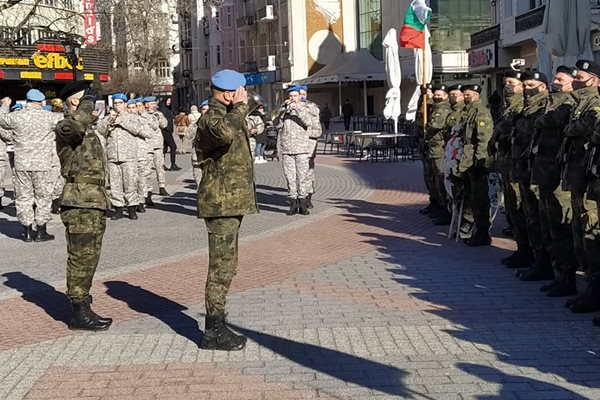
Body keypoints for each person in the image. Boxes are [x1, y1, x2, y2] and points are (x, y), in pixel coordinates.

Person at [195, 69, 258, 351]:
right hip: (220, 202)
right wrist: (242, 108)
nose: (245, 97)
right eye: (241, 92)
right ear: (230, 93)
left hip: (230, 201)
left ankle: (218, 324)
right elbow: (224, 133)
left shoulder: (226, 115)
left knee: (228, 265)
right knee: (221, 268)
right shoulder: (212, 118)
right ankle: (213, 331)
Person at [54, 84, 113, 331]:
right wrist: (87, 103)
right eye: (87, 101)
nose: (93, 106)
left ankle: (84, 303)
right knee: (80, 258)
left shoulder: (88, 129)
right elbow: (74, 126)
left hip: (94, 200)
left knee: (91, 257)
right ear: (75, 103)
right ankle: (78, 311)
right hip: (78, 200)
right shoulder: (66, 127)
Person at [531, 66, 578, 295]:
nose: (556, 82)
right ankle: (555, 271)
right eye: (556, 79)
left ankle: (567, 277)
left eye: (561, 79)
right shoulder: (551, 101)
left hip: (560, 174)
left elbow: (549, 121)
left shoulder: (569, 103)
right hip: (545, 171)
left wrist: (542, 119)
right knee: (548, 224)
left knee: (562, 225)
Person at [561, 60, 600, 314]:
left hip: (590, 177)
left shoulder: (594, 104)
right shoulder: (581, 103)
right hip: (581, 174)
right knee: (581, 232)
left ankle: (594, 292)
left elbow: (590, 131)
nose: (576, 79)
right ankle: (589, 289)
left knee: (590, 234)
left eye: (582, 76)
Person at [0, 89, 62, 242]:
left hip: (22, 163)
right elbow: (65, 125)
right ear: (41, 102)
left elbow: (2, 119)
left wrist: (5, 104)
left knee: (23, 196)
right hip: (43, 163)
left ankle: (26, 231)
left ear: (27, 101)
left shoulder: (17, 116)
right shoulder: (49, 117)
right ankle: (41, 231)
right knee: (43, 196)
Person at [511, 71, 552, 281]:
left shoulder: (546, 105)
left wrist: (518, 123)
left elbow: (533, 128)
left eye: (530, 85)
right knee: (530, 217)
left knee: (541, 219)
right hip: (524, 168)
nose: (527, 89)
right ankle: (535, 258)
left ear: (543, 86)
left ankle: (544, 263)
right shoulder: (526, 106)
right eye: (524, 85)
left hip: (539, 170)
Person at [489, 71, 531, 269]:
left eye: (511, 83)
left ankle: (526, 251)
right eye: (505, 83)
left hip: (518, 166)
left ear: (522, 86)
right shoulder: (507, 107)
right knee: (512, 210)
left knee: (520, 209)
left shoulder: (523, 105)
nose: (507, 87)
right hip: (507, 165)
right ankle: (521, 249)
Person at [97, 93, 147, 220]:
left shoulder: (132, 117)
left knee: (130, 183)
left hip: (129, 155)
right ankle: (118, 208)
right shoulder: (109, 117)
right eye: (115, 103)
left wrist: (122, 122)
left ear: (125, 104)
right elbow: (101, 131)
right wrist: (108, 122)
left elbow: (141, 131)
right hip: (113, 155)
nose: (117, 105)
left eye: (120, 103)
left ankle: (132, 208)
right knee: (115, 184)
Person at [456, 84, 493, 246]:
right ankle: (475, 229)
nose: (465, 97)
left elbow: (483, 140)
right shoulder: (467, 112)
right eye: (464, 95)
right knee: (471, 198)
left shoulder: (480, 113)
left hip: (476, 164)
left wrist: (480, 163)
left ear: (477, 95)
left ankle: (483, 232)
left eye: (468, 94)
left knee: (480, 199)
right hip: (467, 163)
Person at [274, 86, 320, 215]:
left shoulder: (305, 109)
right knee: (290, 178)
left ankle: (303, 203)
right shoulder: (284, 109)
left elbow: (308, 123)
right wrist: (282, 112)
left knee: (302, 177)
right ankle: (293, 203)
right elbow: (276, 124)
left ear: (300, 96)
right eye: (290, 96)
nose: (292, 99)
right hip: (287, 149)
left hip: (301, 149)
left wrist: (298, 109)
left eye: (295, 96)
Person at [425, 85, 453, 225]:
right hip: (433, 148)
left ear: (446, 96)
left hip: (440, 149)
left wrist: (427, 125)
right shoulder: (434, 108)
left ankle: (445, 210)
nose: (436, 97)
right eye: (434, 95)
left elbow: (434, 125)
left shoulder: (443, 109)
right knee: (433, 180)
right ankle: (437, 206)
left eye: (439, 95)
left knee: (441, 181)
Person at [298, 85, 322, 209]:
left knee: (308, 173)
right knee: (298, 174)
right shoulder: (292, 109)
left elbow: (318, 131)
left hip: (309, 148)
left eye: (304, 94)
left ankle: (308, 196)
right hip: (295, 148)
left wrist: (304, 133)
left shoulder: (313, 109)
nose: (301, 97)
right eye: (299, 94)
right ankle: (299, 197)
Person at [144, 96, 170, 202]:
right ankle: (148, 189)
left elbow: (165, 125)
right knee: (148, 169)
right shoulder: (143, 115)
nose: (154, 105)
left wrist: (158, 116)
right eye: (152, 103)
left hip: (158, 145)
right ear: (146, 105)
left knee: (160, 166)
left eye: (155, 103)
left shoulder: (159, 114)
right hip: (147, 145)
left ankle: (162, 186)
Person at [159, 98, 181, 171]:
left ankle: (162, 165)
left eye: (170, 101)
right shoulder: (163, 109)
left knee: (164, 148)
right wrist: (168, 128)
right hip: (165, 130)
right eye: (167, 100)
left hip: (168, 130)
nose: (169, 102)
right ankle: (173, 164)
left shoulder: (168, 109)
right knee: (173, 146)